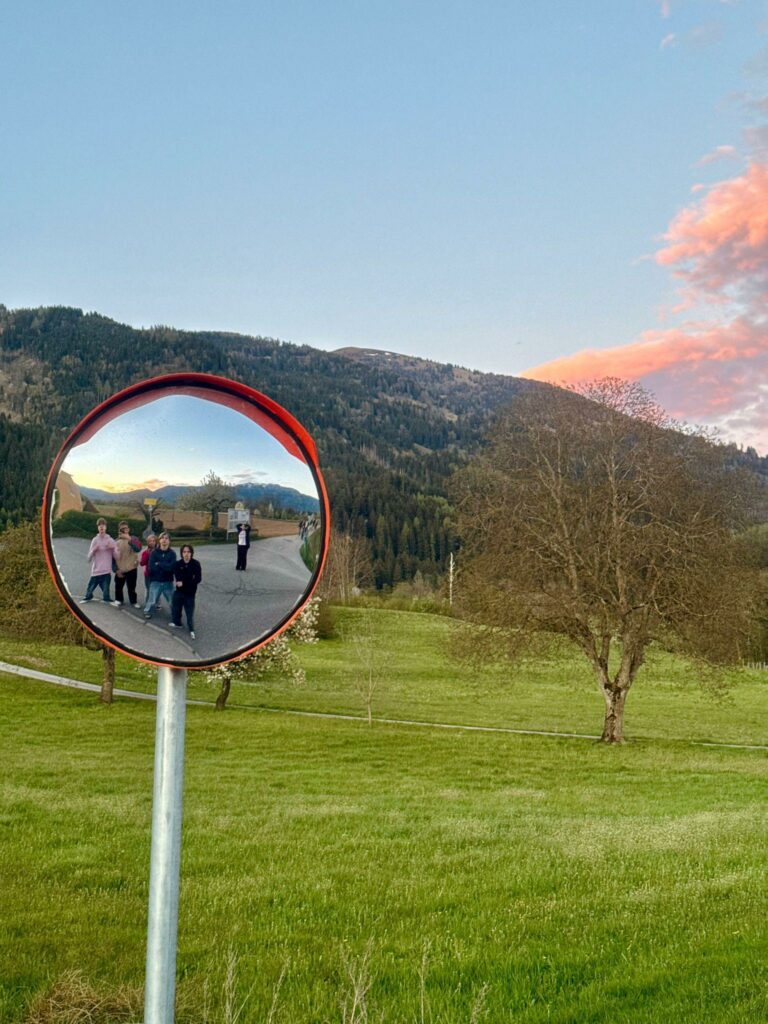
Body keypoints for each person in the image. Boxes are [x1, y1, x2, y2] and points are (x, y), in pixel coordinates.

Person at [169, 544, 202, 640]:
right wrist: (190, 578)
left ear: (191, 553)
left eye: (188, 552)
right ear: (181, 553)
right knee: (176, 609)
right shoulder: (177, 564)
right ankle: (177, 623)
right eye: (184, 552)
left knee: (189, 613)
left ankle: (191, 629)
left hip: (190, 593)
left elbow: (198, 579)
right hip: (179, 592)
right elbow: (178, 578)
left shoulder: (196, 564)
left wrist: (184, 582)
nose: (186, 554)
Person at [82, 518, 117, 603]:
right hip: (96, 571)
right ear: (98, 528)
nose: (101, 527)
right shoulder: (95, 540)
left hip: (106, 571)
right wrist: (94, 550)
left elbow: (117, 556)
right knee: (88, 595)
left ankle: (106, 597)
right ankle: (89, 596)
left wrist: (113, 548)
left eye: (103, 525)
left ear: (106, 527)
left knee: (106, 597)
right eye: (99, 526)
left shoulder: (110, 540)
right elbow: (88, 558)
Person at [143, 532, 176, 619]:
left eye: (166, 538)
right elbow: (151, 568)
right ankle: (147, 611)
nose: (164, 540)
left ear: (169, 541)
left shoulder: (172, 554)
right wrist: (165, 566)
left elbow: (172, 568)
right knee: (152, 600)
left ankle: (176, 615)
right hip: (156, 581)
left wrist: (159, 564)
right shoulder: (154, 553)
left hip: (168, 581)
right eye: (162, 538)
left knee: (172, 601)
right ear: (159, 540)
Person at [112, 522, 141, 607]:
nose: (125, 530)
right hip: (120, 568)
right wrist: (116, 569)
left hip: (131, 568)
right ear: (119, 530)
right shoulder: (115, 541)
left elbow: (138, 549)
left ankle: (133, 601)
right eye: (122, 528)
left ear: (129, 529)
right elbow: (112, 557)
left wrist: (129, 539)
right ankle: (118, 600)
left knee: (132, 587)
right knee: (118, 586)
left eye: (126, 528)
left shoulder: (134, 538)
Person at [139, 534, 157, 600]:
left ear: (156, 542)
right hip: (148, 574)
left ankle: (157, 602)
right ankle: (148, 602)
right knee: (149, 588)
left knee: (157, 589)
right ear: (147, 542)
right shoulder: (145, 552)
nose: (152, 542)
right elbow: (142, 563)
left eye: (153, 541)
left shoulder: (159, 551)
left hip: (157, 574)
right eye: (150, 541)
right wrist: (147, 555)